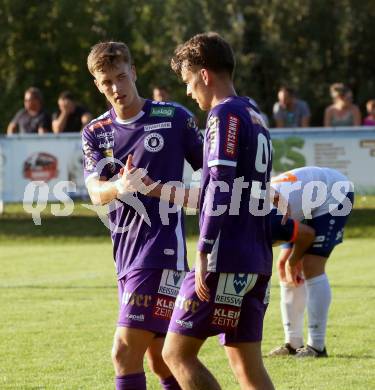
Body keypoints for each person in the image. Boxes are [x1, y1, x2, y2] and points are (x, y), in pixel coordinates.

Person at [154, 32, 275, 390]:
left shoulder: (223, 115)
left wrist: (204, 248)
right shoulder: (256, 115)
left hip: (225, 257)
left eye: (190, 82)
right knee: (247, 368)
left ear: (205, 75)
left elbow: (220, 184)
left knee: (175, 354)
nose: (189, 92)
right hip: (256, 259)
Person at [82, 41, 203, 390]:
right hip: (125, 255)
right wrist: (120, 187)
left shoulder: (174, 118)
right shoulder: (95, 132)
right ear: (97, 85)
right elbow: (94, 191)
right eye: (107, 82)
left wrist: (163, 191)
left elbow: (213, 178)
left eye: (121, 77)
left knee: (123, 353)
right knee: (161, 360)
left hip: (160, 252)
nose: (116, 88)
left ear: (134, 73)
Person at [268, 166, 354, 358]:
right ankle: (293, 343)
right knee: (283, 267)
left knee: (310, 265)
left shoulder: (266, 222)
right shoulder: (253, 218)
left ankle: (317, 347)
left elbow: (307, 235)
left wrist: (294, 259)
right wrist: (290, 261)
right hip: (301, 200)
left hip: (333, 190)